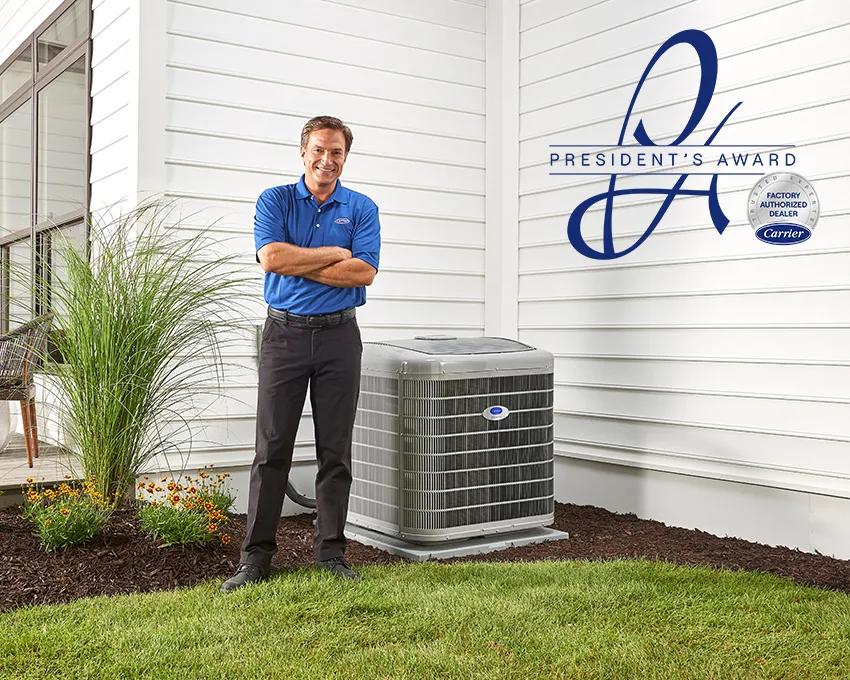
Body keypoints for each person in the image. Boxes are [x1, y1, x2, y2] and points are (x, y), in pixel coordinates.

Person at [221, 116, 380, 593]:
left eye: (336, 153)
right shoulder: (275, 200)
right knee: (271, 450)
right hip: (283, 336)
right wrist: (334, 252)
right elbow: (271, 259)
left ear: (345, 157)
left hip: (339, 339)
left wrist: (301, 261)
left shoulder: (363, 207)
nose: (327, 160)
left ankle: (330, 554)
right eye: (319, 150)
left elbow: (364, 273)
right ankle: (256, 559)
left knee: (336, 451)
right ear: (302, 152)